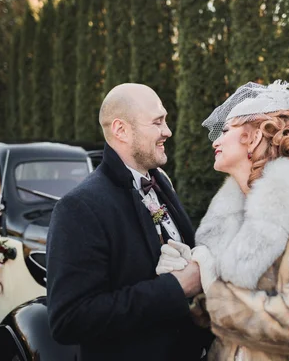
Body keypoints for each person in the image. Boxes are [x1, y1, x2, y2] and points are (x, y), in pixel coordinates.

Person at [156, 80, 289, 360]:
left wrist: (214, 289)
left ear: (256, 136)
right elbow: (206, 318)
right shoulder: (225, 214)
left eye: (225, 130)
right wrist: (180, 280)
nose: (215, 140)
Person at [46, 83, 213, 360]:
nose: (168, 131)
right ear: (120, 130)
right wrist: (176, 288)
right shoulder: (79, 207)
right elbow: (69, 319)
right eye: (157, 122)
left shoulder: (159, 181)